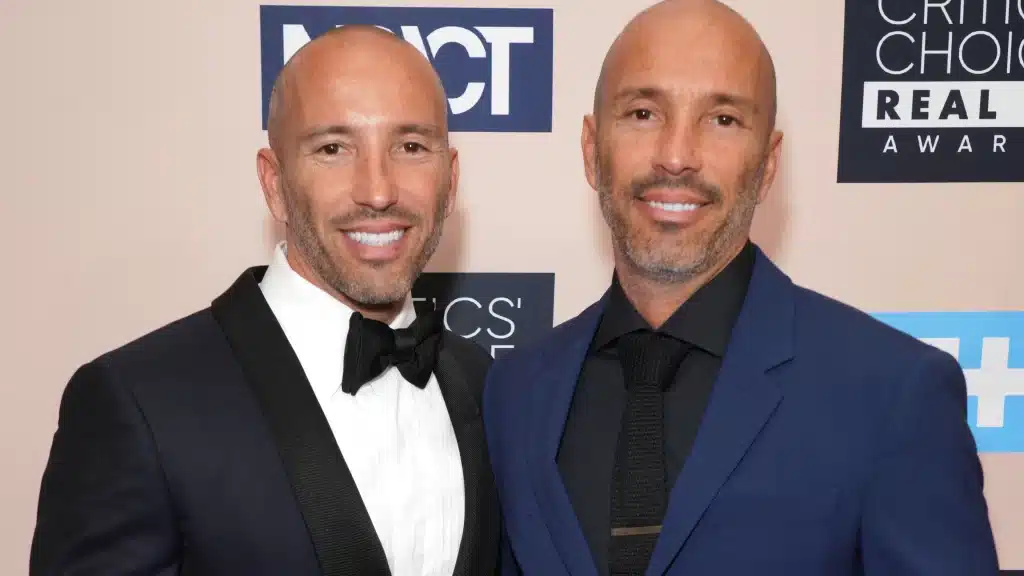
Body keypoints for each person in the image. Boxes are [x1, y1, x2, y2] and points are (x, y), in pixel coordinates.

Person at [482, 1, 1000, 574]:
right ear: (590, 149)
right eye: (643, 113)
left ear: (768, 163)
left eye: (723, 119)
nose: (676, 156)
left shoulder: (893, 394)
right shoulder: (516, 392)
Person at [30, 25, 500, 576]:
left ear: (450, 178)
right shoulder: (139, 405)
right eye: (333, 148)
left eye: (411, 147)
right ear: (274, 183)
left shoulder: (487, 385)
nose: (378, 191)